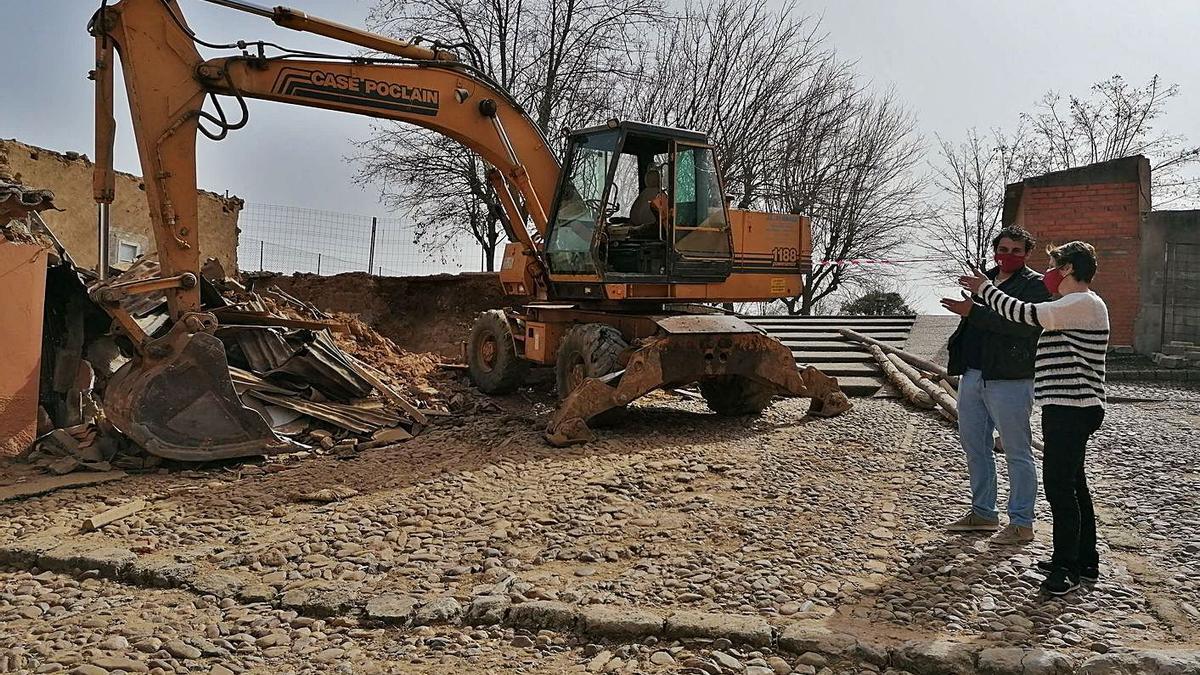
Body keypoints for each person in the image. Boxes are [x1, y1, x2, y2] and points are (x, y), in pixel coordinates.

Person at [946, 241, 1110, 596]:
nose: (1048, 272)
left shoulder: (1081, 302)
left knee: (1061, 488)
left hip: (1073, 407)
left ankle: (1066, 568)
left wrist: (983, 291)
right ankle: (1084, 558)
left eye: (1053, 265)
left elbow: (1024, 314)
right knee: (1075, 486)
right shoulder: (1071, 304)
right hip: (1065, 405)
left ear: (1067, 269)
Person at [941, 226, 1051, 545]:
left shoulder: (1035, 286)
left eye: (1017, 251)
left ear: (1027, 253)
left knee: (1017, 451)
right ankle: (983, 513)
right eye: (1003, 249)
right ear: (995, 251)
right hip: (973, 374)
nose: (1009, 255)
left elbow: (1019, 327)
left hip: (1011, 378)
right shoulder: (984, 280)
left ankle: (1021, 521)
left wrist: (974, 310)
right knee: (975, 447)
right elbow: (973, 323)